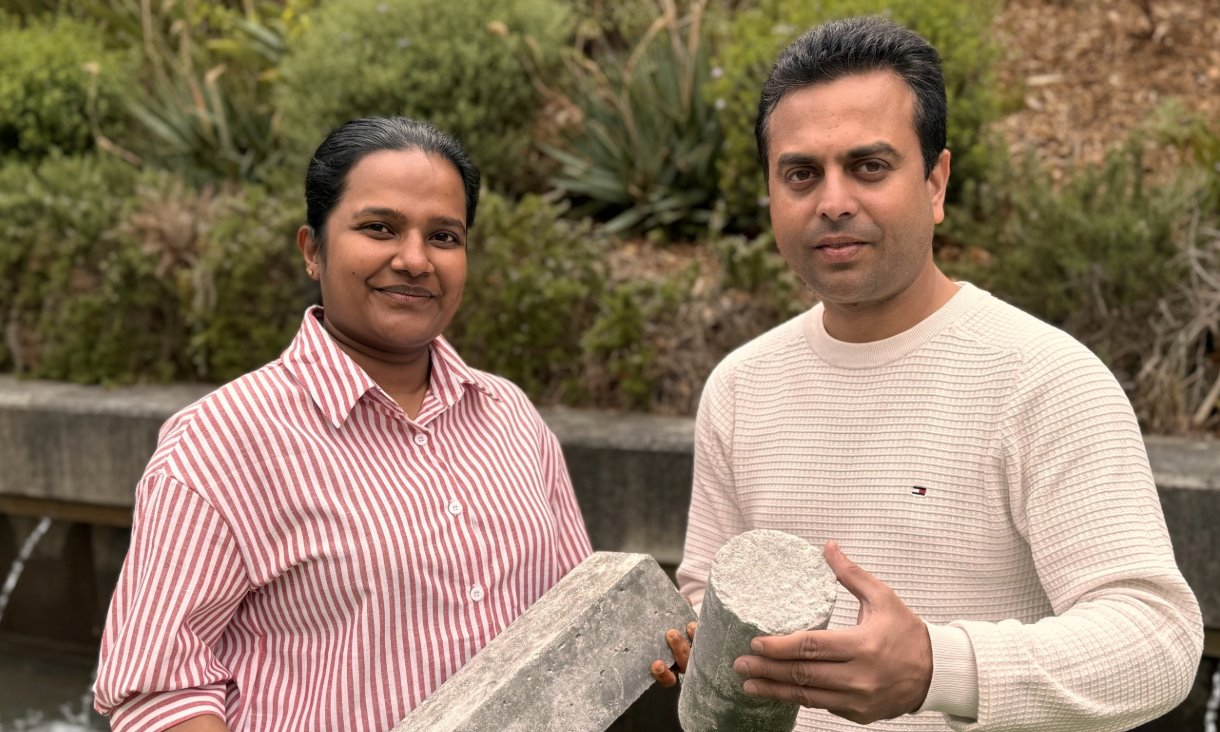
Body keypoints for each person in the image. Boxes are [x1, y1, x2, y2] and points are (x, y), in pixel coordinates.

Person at [651, 16, 1203, 731]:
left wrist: (937, 669)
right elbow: (705, 585)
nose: (833, 200)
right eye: (801, 173)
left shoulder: (1045, 381)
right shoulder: (739, 386)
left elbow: (1158, 639)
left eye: (869, 166)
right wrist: (702, 637)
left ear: (936, 182)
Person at [94, 116, 592, 731]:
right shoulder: (221, 442)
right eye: (379, 228)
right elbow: (158, 692)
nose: (414, 260)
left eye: (444, 236)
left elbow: (580, 615)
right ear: (312, 250)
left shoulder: (508, 415)